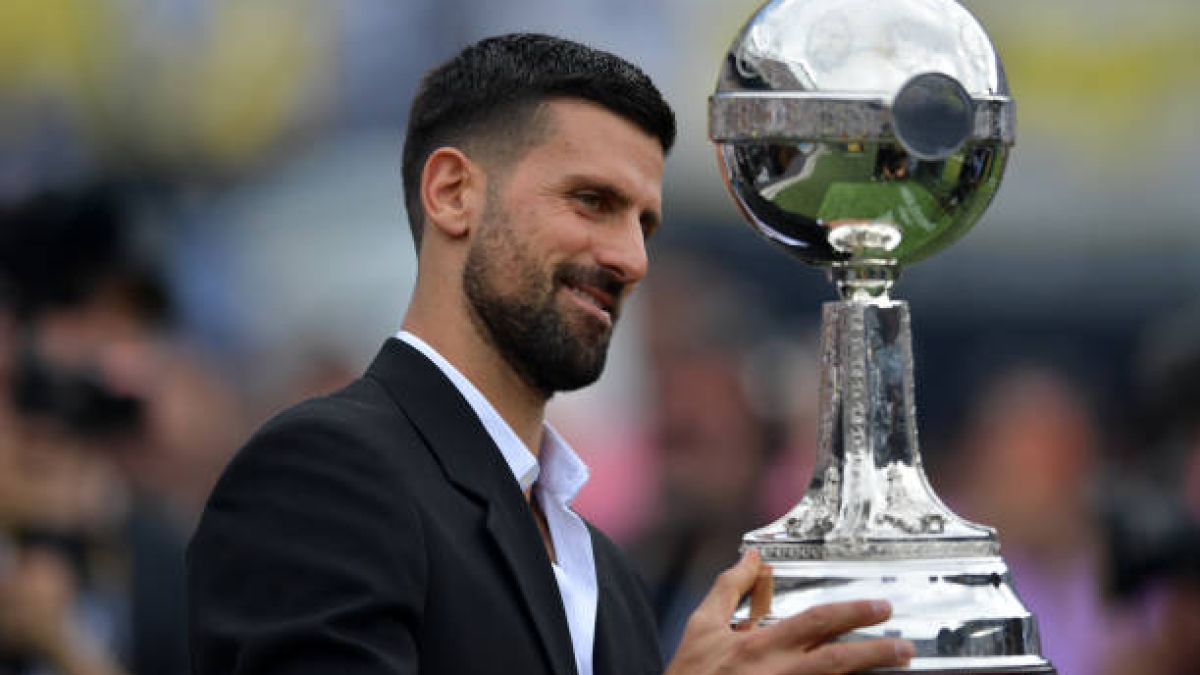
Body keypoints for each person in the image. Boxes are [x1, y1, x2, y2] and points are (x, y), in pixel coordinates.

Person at [187, 33, 915, 675]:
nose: (631, 258)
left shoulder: (608, 571)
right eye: (592, 201)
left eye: (645, 224)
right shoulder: (324, 474)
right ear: (451, 193)